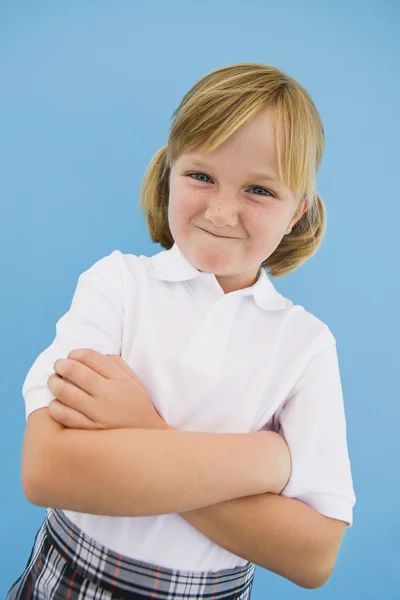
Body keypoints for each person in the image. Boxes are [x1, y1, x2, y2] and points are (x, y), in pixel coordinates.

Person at [7, 62, 356, 598]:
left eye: (259, 191)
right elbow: (50, 470)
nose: (221, 210)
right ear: (169, 172)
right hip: (67, 580)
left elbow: (313, 556)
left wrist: (141, 426)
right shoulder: (118, 284)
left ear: (296, 213)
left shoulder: (304, 345)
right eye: (201, 176)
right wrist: (262, 462)